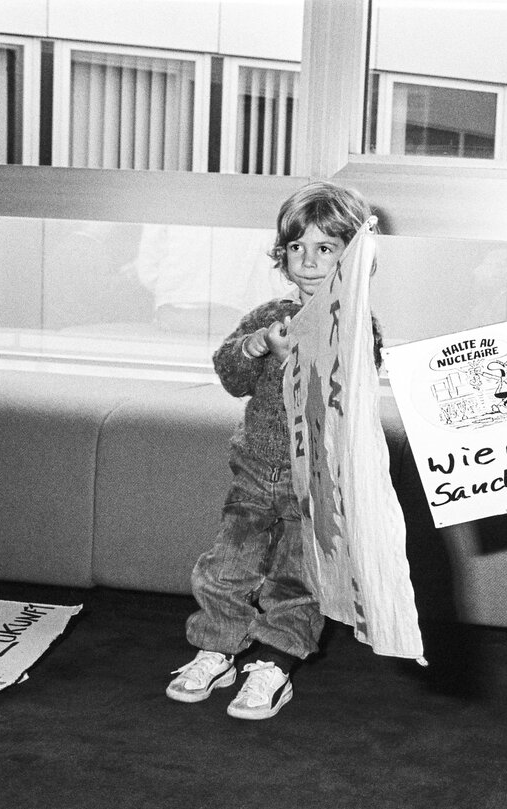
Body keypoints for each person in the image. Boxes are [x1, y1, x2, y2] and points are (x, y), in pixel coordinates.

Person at [165, 181, 383, 720]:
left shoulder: (358, 327)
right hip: (255, 471)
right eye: (296, 248)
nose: (308, 262)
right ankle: (217, 646)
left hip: (316, 483)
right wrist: (259, 345)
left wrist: (298, 357)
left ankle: (275, 665)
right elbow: (230, 375)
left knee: (298, 576)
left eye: (326, 249)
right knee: (225, 567)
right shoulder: (267, 315)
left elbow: (345, 397)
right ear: (281, 256)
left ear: (352, 261)